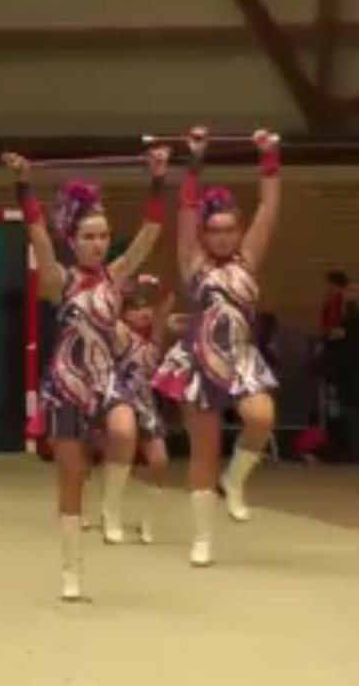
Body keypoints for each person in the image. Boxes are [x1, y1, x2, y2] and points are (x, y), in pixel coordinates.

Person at [1, 146, 169, 600]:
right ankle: (71, 569)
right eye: (89, 237)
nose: (98, 244)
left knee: (125, 427)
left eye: (103, 236)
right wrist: (23, 185)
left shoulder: (117, 276)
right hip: (68, 383)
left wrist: (158, 179)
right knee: (71, 476)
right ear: (72, 240)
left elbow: (150, 233)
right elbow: (37, 233)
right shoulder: (60, 281)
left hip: (105, 377)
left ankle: (111, 509)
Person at [153, 126, 280, 567]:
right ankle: (202, 538)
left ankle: (236, 480)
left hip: (241, 356)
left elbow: (269, 207)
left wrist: (268, 156)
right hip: (200, 360)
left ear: (238, 231)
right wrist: (195, 159)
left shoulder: (249, 259)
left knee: (261, 417)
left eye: (229, 230)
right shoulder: (193, 262)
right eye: (214, 230)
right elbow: (186, 210)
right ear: (205, 234)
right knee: (203, 451)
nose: (223, 237)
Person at [114, 274, 176, 544]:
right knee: (117, 461)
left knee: (160, 461)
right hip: (117, 402)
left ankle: (147, 519)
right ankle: (110, 511)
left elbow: (168, 301)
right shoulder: (118, 332)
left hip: (146, 404)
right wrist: (123, 287)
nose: (144, 312)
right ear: (124, 312)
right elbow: (109, 308)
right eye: (136, 307)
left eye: (147, 306)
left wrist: (157, 286)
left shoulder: (155, 336)